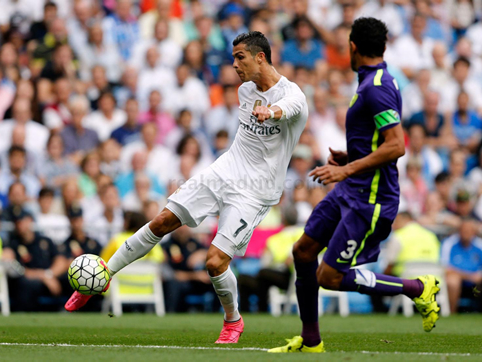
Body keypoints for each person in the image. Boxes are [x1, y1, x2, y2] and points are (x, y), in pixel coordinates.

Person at [65, 31, 308, 344]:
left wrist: (270, 111)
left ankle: (232, 320)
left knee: (215, 261)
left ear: (261, 57)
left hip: (255, 189)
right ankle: (101, 278)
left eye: (240, 57)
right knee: (161, 220)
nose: (234, 64)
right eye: (233, 57)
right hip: (225, 170)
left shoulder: (293, 94)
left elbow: (289, 107)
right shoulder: (246, 90)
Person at [269, 18, 439, 354]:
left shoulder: (376, 87)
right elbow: (380, 141)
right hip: (352, 188)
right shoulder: (370, 82)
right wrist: (352, 157)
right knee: (303, 252)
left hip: (370, 198)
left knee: (329, 277)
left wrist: (347, 170)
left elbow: (396, 145)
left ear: (352, 47)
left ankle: (417, 287)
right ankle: (311, 340)